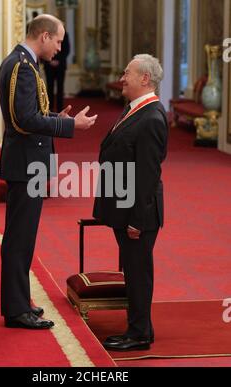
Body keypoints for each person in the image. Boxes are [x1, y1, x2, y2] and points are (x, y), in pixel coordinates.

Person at [0, 14, 97, 330]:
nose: (59, 47)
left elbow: (33, 114)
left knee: (23, 238)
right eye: (57, 40)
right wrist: (69, 125)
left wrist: (56, 116)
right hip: (26, 165)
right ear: (43, 36)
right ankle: (15, 310)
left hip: (29, 163)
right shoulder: (21, 67)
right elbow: (24, 120)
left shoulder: (24, 63)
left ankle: (20, 301)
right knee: (18, 239)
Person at [93, 54, 168, 351]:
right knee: (134, 271)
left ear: (144, 79)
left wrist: (137, 219)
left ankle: (138, 334)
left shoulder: (151, 117)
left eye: (128, 73)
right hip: (125, 208)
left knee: (138, 273)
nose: (122, 78)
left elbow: (148, 175)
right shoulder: (135, 109)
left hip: (139, 214)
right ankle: (142, 329)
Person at [43, 31, 70, 112]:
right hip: (48, 65)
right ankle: (49, 108)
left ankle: (59, 109)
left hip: (60, 65)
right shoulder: (48, 33)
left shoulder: (65, 35)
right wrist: (50, 60)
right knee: (49, 87)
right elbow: (44, 47)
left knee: (60, 87)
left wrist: (58, 60)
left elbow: (66, 50)